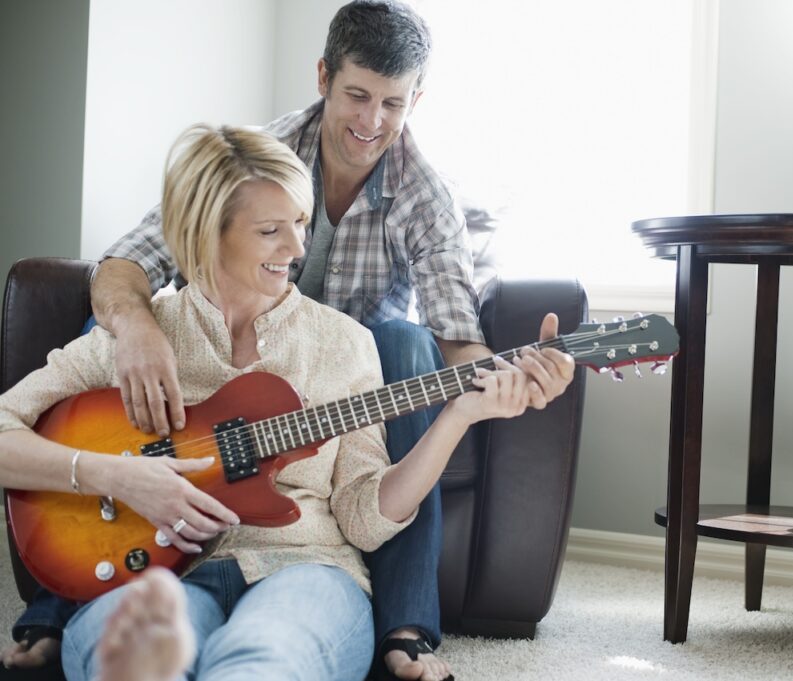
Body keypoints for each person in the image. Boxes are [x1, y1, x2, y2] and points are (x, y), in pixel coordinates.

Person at [2, 3, 572, 681]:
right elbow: (126, 263)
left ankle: (406, 624)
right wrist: (137, 334)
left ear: (416, 99)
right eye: (357, 96)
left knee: (404, 342)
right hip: (208, 368)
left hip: (337, 371)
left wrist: (497, 387)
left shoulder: (423, 199)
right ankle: (63, 587)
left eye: (394, 103)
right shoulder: (248, 161)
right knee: (115, 326)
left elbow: (456, 336)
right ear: (325, 77)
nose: (372, 121)